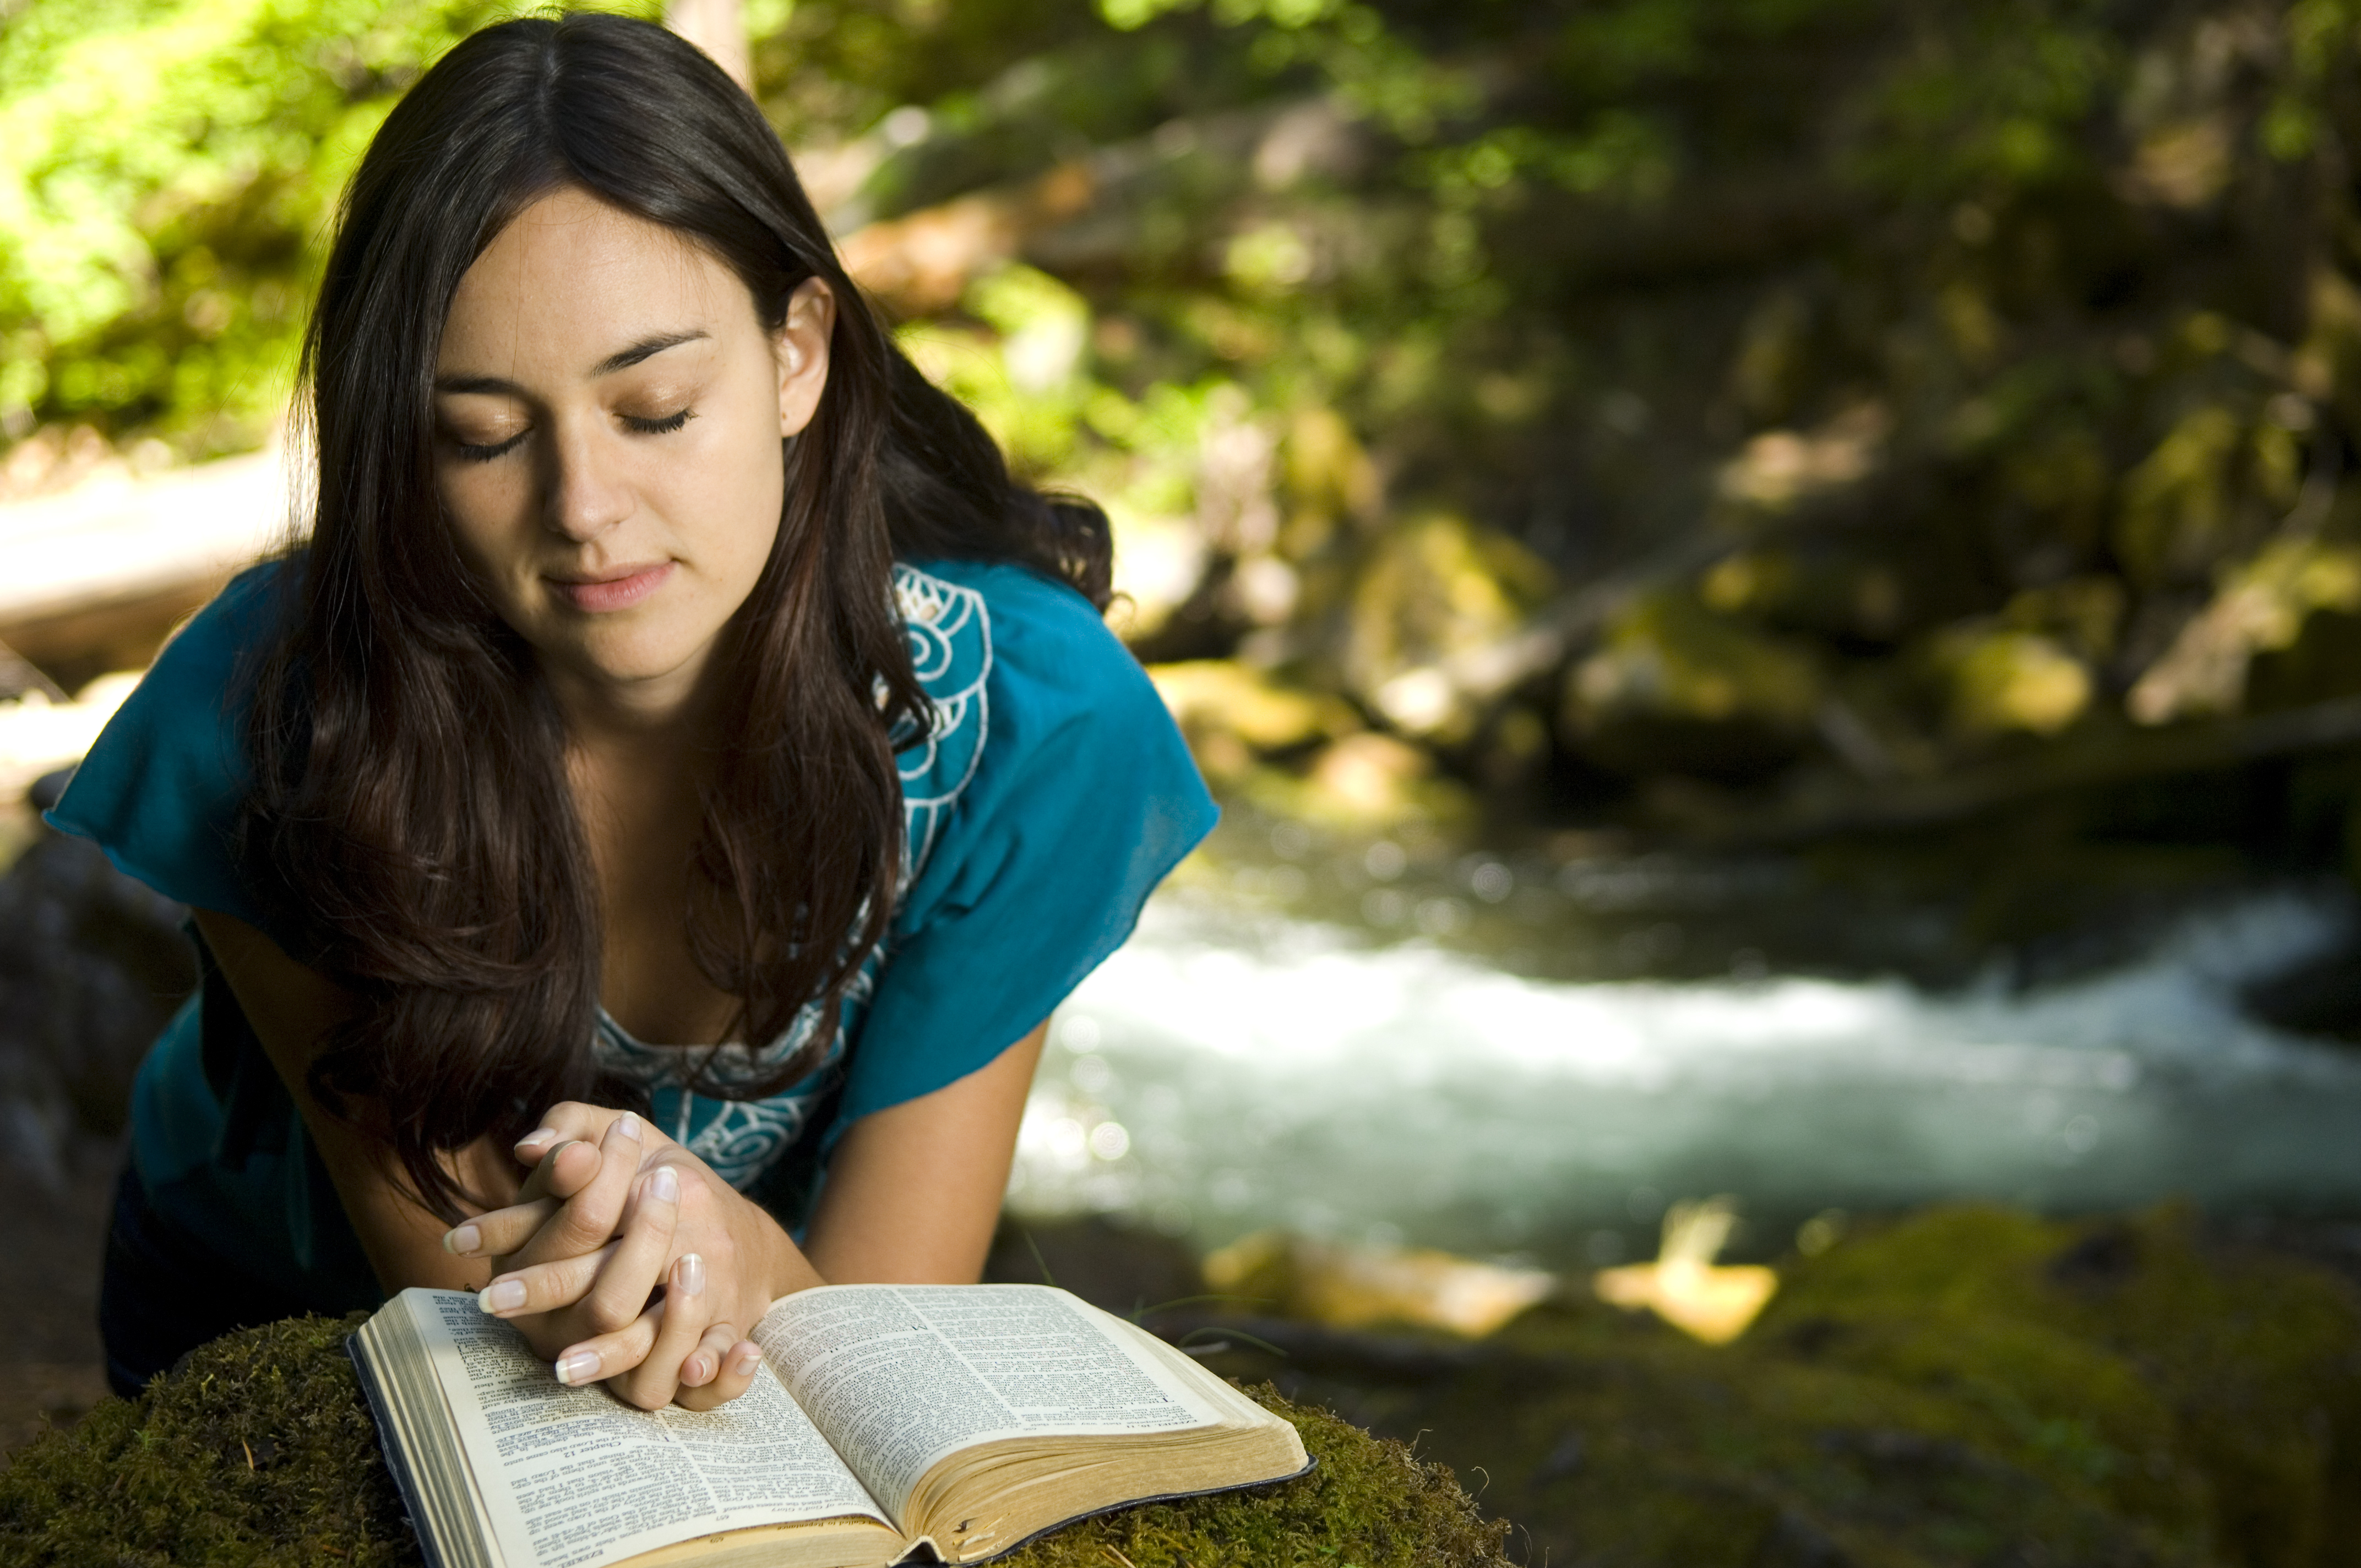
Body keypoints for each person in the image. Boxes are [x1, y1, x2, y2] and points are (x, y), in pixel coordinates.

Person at [49, 11, 1212, 1411]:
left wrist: (730, 1241)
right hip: (270, 1295)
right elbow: (461, 1269)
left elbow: (891, 1306)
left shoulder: (1019, 723)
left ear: (797, 355)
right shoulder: (277, 706)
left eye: (655, 408)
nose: (584, 513)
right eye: (480, 434)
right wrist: (681, 1251)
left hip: (770, 1283)